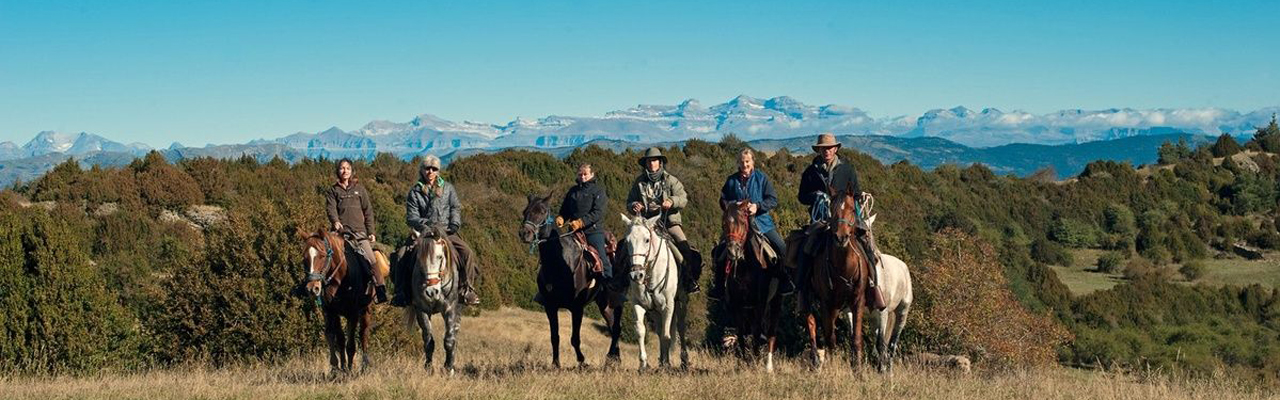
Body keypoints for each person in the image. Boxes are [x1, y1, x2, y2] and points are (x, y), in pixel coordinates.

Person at [797, 133, 884, 309]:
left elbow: (857, 193)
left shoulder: (847, 169)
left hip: (846, 219)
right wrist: (815, 196)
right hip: (821, 219)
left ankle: (873, 287)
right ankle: (803, 291)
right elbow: (802, 197)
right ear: (819, 150)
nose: (826, 151)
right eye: (823, 148)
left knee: (867, 246)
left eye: (829, 148)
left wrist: (854, 201)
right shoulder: (811, 171)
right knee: (806, 248)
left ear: (835, 149)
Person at [396, 155, 481, 306]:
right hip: (423, 233)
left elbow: (455, 207)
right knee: (402, 255)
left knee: (467, 252)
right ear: (422, 170)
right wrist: (426, 224)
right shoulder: (414, 192)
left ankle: (467, 289)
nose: (430, 171)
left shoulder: (448, 188)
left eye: (434, 169)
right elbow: (411, 217)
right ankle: (401, 293)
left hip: (446, 231)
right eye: (427, 168)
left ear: (438, 171)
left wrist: (455, 223)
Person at [710, 149, 793, 299]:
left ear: (753, 162)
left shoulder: (762, 179)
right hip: (737, 226)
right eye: (742, 162)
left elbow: (772, 199)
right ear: (738, 163)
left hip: (761, 223)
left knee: (781, 246)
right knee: (719, 252)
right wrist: (734, 205)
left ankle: (783, 280)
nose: (745, 164)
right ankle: (719, 286)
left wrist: (757, 206)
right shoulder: (731, 181)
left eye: (747, 161)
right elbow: (723, 200)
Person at [627, 147, 702, 293]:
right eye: (649, 161)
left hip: (669, 221)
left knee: (683, 247)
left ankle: (689, 280)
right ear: (645, 164)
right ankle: (620, 281)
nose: (652, 163)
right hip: (646, 223)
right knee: (626, 246)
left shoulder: (671, 180)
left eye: (654, 160)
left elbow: (683, 198)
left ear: (660, 163)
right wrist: (633, 205)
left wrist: (672, 201)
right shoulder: (639, 182)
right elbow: (629, 201)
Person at [325, 158, 387, 303]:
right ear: (338, 171)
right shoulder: (333, 190)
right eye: (341, 168)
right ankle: (318, 288)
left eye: (347, 168)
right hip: (340, 234)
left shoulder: (360, 189)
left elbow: (368, 211)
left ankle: (380, 290)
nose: (344, 171)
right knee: (324, 257)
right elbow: (330, 209)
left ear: (352, 171)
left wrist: (371, 231)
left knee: (372, 260)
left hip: (359, 234)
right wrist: (335, 222)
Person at [557, 163, 614, 287]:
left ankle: (610, 289)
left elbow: (598, 212)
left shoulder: (598, 190)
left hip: (593, 232)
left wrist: (581, 222)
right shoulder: (573, 191)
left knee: (603, 260)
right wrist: (561, 217)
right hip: (573, 232)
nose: (582, 177)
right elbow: (565, 209)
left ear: (592, 174)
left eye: (585, 174)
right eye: (580, 174)